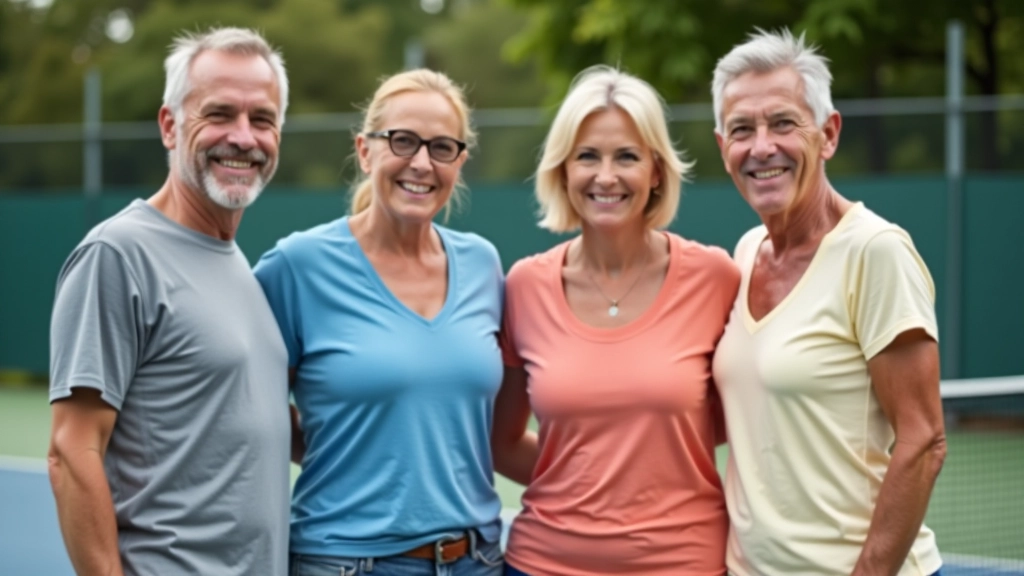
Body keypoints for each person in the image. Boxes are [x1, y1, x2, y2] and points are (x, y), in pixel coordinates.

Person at [47, 27, 291, 576]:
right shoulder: (117, 254)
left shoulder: (239, 266)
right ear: (169, 125)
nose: (244, 137)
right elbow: (71, 452)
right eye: (220, 114)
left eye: (263, 120)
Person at [710, 29, 946, 576]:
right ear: (724, 149)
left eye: (784, 123)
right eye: (742, 129)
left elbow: (924, 439)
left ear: (828, 133)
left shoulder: (875, 251)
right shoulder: (745, 253)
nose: (761, 146)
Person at [253, 68, 505, 576]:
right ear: (365, 151)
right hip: (346, 562)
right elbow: (253, 409)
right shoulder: (297, 266)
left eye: (441, 147)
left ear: (460, 161)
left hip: (476, 560)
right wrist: (340, 445)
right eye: (403, 141)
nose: (421, 163)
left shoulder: (483, 265)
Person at [492, 65, 741, 576]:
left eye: (626, 156)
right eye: (588, 156)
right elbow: (503, 441)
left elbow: (743, 418)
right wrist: (586, 486)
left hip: (685, 564)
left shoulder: (716, 278)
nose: (606, 176)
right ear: (563, 171)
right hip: (542, 563)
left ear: (655, 170)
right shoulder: (524, 285)